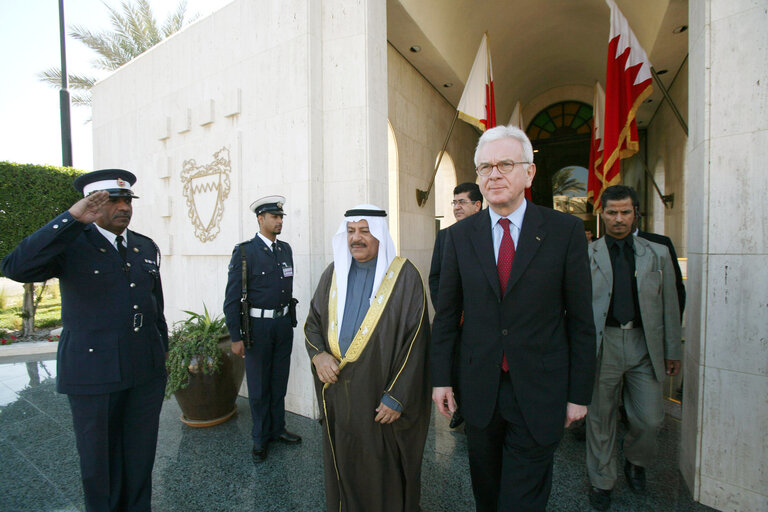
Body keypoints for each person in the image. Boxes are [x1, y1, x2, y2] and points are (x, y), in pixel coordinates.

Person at [431, 125, 596, 511]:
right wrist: (441, 379)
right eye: (485, 167)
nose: (494, 174)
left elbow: (581, 320)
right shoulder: (458, 237)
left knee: (522, 500)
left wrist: (579, 394)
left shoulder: (564, 231)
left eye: (506, 164)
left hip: (541, 389)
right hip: (479, 389)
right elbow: (447, 315)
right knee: (487, 493)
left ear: (529, 172)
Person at [2, 169, 168, 511]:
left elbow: (156, 308)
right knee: (100, 465)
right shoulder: (71, 242)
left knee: (140, 458)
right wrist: (72, 219)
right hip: (94, 374)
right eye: (111, 201)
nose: (123, 207)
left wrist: (160, 356)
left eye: (127, 200)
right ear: (91, 205)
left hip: (143, 370)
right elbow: (15, 267)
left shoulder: (143, 246)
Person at [304, 205, 431, 512]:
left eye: (365, 231)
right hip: (340, 396)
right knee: (343, 464)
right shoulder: (332, 275)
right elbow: (312, 324)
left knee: (381, 470)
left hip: (380, 397)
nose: (356, 239)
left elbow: (417, 342)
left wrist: (397, 397)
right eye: (350, 231)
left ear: (379, 234)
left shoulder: (404, 277)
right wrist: (319, 355)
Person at [585, 185, 682, 511]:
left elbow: (670, 306)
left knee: (651, 418)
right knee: (600, 418)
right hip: (604, 344)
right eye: (612, 212)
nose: (618, 219)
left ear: (635, 213)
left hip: (645, 344)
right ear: (602, 214)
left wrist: (673, 350)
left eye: (625, 212)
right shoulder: (586, 255)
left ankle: (635, 461)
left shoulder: (657, 253)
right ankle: (601, 481)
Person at [223, 196, 301, 464]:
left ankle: (277, 429)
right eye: (274, 217)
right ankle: (260, 437)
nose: (279, 221)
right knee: (258, 386)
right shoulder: (245, 252)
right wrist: (236, 336)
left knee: (279, 380)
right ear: (260, 219)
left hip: (282, 325)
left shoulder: (285, 250)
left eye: (281, 217)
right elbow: (232, 298)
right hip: (257, 327)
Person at [428, 181, 482, 429]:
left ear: (477, 205)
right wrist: (447, 310)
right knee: (455, 365)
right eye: (454, 202)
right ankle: (460, 407)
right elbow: (435, 277)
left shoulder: (489, 234)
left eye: (462, 202)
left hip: (481, 320)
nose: (457, 207)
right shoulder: (445, 236)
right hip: (454, 319)